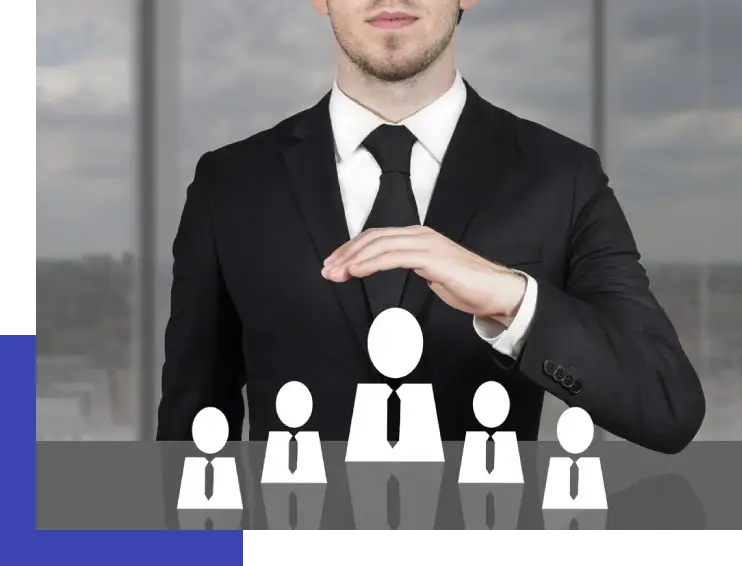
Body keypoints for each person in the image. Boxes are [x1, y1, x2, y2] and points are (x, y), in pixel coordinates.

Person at [156, 0, 705, 455]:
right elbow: (193, 428)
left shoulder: (562, 177)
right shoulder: (228, 184)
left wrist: (512, 299)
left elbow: (665, 406)